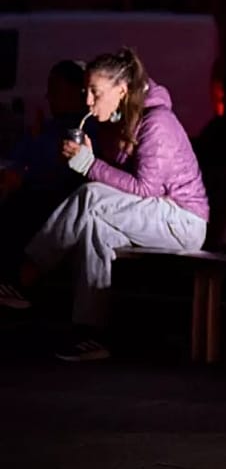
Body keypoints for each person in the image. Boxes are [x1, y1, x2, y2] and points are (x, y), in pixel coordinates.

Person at [0, 49, 209, 362]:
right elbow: (122, 183)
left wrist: (90, 165)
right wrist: (95, 155)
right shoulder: (120, 122)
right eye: (86, 93)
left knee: (91, 196)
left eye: (95, 93)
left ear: (121, 91)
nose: (88, 102)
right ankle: (91, 335)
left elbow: (145, 189)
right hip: (152, 215)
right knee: (96, 230)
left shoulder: (157, 123)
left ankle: (25, 276)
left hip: (182, 221)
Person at [0, 60, 96, 276]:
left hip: (58, 201)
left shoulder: (84, 130)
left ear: (77, 92)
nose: (48, 97)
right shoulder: (48, 127)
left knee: (23, 205)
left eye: (55, 90)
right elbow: (20, 156)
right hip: (29, 188)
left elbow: (68, 174)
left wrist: (25, 177)